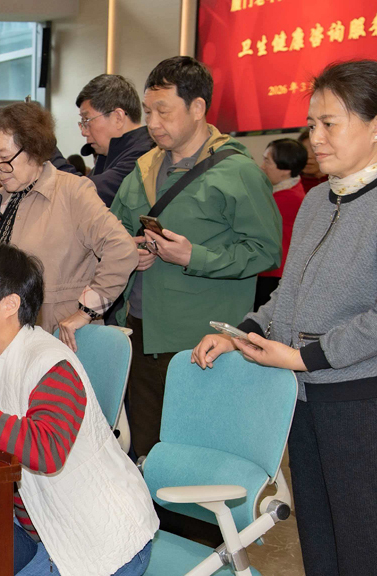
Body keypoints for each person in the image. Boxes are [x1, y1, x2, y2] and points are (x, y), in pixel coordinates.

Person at [192, 59, 377, 576]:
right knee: (318, 536)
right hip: (303, 393)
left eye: (330, 124)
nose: (315, 138)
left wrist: (304, 356)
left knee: (364, 539)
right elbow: (288, 296)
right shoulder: (320, 199)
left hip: (361, 399)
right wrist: (243, 335)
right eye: (312, 124)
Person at [0, 243, 157, 576]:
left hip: (99, 541)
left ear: (10, 304)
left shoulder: (50, 363)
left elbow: (47, 451)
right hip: (43, 530)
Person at [109, 56, 282, 460]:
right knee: (149, 457)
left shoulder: (237, 172)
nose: (152, 123)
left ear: (199, 108)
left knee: (195, 461)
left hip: (197, 344)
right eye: (148, 111)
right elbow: (114, 230)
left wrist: (195, 256)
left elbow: (265, 251)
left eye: (163, 112)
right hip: (138, 334)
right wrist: (130, 249)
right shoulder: (144, 168)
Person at [0, 101, 139, 351]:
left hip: (60, 340)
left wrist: (86, 311)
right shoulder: (1, 199)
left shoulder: (72, 191)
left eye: (5, 158)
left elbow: (123, 250)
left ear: (34, 149)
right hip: (8, 341)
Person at [75, 74, 157, 206]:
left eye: (87, 120)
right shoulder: (109, 154)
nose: (84, 132)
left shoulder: (146, 154)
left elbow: (85, 194)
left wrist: (42, 145)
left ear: (118, 117)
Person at [256, 138, 308, 309]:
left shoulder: (287, 198)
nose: (262, 166)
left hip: (274, 273)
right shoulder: (292, 189)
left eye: (267, 161)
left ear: (285, 170)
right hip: (274, 270)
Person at [297, 129, 328, 193]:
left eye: (314, 149)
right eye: (304, 150)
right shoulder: (293, 185)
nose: (308, 156)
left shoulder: (339, 182)